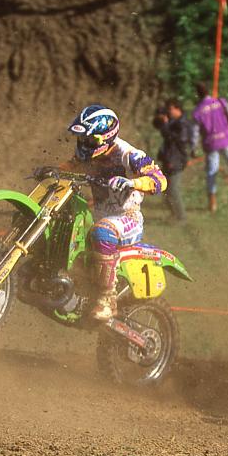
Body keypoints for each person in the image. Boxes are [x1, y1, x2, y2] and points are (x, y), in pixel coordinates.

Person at [67, 104, 167, 321]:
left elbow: (160, 180)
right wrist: (50, 172)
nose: (84, 142)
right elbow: (69, 168)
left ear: (106, 137)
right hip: (100, 216)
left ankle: (107, 299)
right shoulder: (87, 153)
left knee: (101, 232)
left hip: (127, 218)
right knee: (68, 225)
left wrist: (133, 183)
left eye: (89, 139)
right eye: (82, 138)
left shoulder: (130, 155)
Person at [192, 82, 228, 213]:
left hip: (211, 144)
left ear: (197, 94)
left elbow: (195, 133)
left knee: (212, 171)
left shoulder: (197, 112)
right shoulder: (220, 102)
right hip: (227, 140)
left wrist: (193, 147)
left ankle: (212, 202)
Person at [153, 98, 194, 224]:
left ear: (178, 109)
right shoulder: (174, 122)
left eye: (170, 109)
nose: (169, 112)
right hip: (170, 158)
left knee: (173, 189)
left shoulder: (183, 123)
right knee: (165, 189)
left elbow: (179, 140)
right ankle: (174, 215)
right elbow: (159, 127)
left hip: (176, 159)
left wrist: (166, 125)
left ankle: (181, 217)